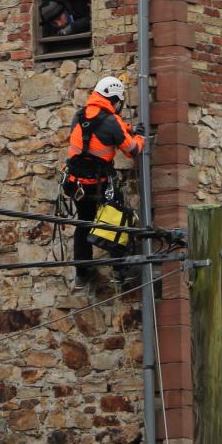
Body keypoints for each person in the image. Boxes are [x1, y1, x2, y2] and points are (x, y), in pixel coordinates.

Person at [63, 75, 145, 287]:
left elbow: (96, 135)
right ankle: (121, 270)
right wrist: (140, 137)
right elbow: (132, 150)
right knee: (114, 220)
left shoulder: (79, 116)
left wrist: (125, 129)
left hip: (76, 184)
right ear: (114, 98)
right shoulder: (111, 121)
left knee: (84, 223)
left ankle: (82, 272)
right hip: (99, 184)